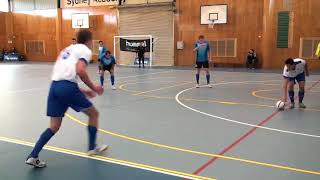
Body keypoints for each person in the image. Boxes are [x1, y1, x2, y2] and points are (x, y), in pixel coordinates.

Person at [25, 30, 108, 168]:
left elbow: (62, 76)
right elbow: (80, 70)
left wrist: (82, 90)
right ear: (89, 40)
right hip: (67, 88)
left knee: (54, 126)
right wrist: (94, 88)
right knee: (94, 114)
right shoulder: (85, 50)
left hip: (55, 88)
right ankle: (92, 148)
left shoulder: (67, 49)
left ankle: (33, 155)